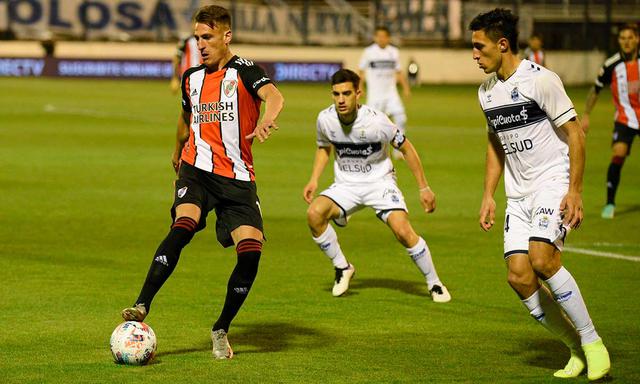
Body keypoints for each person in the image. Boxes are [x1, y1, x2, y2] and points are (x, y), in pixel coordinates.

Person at [121, 4, 284, 360]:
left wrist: (268, 119)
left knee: (251, 254)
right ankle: (142, 304)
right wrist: (178, 149)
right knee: (185, 223)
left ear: (227, 36)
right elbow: (185, 117)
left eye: (207, 37)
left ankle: (221, 328)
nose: (201, 44)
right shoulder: (191, 77)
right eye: (197, 38)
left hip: (238, 177)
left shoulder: (244, 70)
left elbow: (274, 96)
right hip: (197, 169)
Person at [470, 8, 610, 380]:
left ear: (502, 44)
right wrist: (489, 194)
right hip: (518, 195)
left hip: (551, 181)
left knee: (542, 259)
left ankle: (593, 342)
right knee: (518, 276)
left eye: (479, 47)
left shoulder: (541, 80)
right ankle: (574, 348)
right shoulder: (486, 93)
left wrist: (574, 191)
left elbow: (575, 133)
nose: (474, 55)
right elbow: (495, 145)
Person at [303, 69, 450, 303]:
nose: (341, 99)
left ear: (358, 94)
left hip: (379, 184)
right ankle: (343, 267)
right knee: (314, 215)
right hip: (346, 185)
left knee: (403, 231)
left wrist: (423, 187)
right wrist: (313, 179)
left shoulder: (377, 121)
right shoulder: (325, 119)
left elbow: (406, 148)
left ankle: (434, 283)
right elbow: (324, 147)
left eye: (347, 93)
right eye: (336, 94)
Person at [581, 23, 639, 219]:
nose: (626, 42)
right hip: (625, 118)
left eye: (630, 38)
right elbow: (595, 90)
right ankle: (610, 203)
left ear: (637, 39)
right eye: (623, 38)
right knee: (618, 154)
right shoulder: (611, 64)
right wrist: (587, 115)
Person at [358, 26, 411, 159]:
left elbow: (399, 72)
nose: (381, 39)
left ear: (388, 38)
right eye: (379, 36)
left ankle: (398, 151)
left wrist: (405, 88)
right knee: (371, 123)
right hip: (375, 94)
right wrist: (360, 87)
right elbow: (361, 71)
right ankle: (371, 149)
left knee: (401, 118)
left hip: (391, 93)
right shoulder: (369, 52)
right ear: (375, 38)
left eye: (384, 36)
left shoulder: (393, 52)